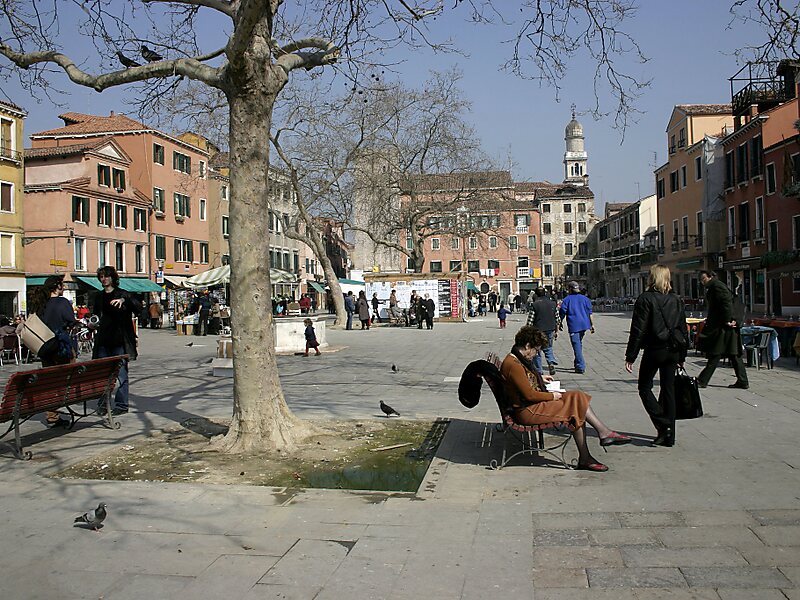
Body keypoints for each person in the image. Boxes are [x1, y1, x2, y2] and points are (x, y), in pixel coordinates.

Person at [501, 326, 630, 472]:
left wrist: (540, 379)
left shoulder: (515, 358)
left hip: (530, 406)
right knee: (575, 410)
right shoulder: (514, 365)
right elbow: (529, 395)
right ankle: (587, 455)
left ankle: (603, 433)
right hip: (528, 412)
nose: (536, 354)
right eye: (536, 350)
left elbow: (523, 383)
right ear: (527, 346)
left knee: (577, 396)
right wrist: (552, 396)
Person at [624, 265, 689, 447]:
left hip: (655, 349)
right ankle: (669, 436)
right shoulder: (676, 299)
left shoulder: (645, 299)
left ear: (652, 278)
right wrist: (682, 355)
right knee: (668, 390)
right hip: (674, 349)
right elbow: (682, 328)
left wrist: (631, 355)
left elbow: (638, 329)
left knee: (644, 387)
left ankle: (663, 423)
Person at [91, 266, 142, 416]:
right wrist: (92, 323)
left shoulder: (122, 294)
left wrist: (124, 299)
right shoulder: (99, 296)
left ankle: (121, 404)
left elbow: (138, 307)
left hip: (119, 341)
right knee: (103, 375)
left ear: (113, 278)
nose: (104, 279)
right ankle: (103, 404)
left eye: (107, 276)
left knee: (121, 375)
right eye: (101, 276)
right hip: (103, 341)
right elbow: (96, 316)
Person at [29, 275, 78, 427]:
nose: (63, 288)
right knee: (65, 380)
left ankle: (52, 416)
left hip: (45, 347)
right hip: (61, 347)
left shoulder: (40, 304)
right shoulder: (62, 302)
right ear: (57, 286)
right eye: (62, 285)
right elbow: (70, 320)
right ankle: (60, 407)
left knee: (50, 381)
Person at [696, 269, 749, 390]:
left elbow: (727, 303)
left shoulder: (717, 286)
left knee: (717, 352)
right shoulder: (714, 286)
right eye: (701, 280)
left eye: (703, 279)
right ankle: (742, 380)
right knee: (733, 353)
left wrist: (727, 320)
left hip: (724, 326)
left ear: (710, 277)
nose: (702, 282)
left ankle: (703, 380)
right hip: (725, 325)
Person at [558, 281, 594, 374]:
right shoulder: (585, 299)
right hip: (584, 324)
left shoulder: (567, 300)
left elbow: (562, 312)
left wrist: (559, 322)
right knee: (578, 343)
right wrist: (592, 324)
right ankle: (577, 362)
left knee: (576, 344)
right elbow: (590, 313)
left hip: (574, 325)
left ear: (569, 289)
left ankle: (580, 366)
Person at [527, 287, 559, 376]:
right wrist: (556, 330)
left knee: (536, 350)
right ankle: (551, 362)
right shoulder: (552, 303)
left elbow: (530, 320)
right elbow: (557, 318)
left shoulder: (535, 304)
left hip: (538, 329)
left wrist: (528, 330)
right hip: (550, 328)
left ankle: (539, 370)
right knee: (548, 347)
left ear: (536, 294)